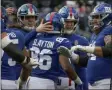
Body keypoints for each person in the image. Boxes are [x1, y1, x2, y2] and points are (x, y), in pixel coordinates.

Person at [20, 12, 82, 89]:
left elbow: (21, 44)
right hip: (49, 81)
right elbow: (66, 67)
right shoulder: (63, 41)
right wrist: (78, 81)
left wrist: (35, 30)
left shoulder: (34, 38)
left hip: (32, 79)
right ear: (60, 25)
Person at [71, 3, 112, 89]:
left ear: (107, 17)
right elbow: (91, 59)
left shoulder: (109, 29)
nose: (94, 20)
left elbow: (109, 51)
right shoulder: (95, 34)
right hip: (94, 83)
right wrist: (73, 56)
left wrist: (85, 48)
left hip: (106, 80)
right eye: (93, 17)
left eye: (97, 17)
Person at [58, 6, 89, 90]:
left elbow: (82, 69)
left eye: (72, 22)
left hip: (71, 81)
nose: (70, 24)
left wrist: (82, 85)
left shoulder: (82, 41)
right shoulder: (53, 37)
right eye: (67, 21)